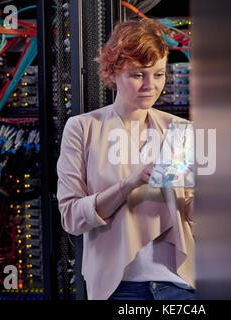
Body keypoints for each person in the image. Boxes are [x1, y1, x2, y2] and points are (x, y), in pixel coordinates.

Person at [56, 19, 195, 300]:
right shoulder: (83, 129)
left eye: (158, 74)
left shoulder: (179, 130)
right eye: (137, 75)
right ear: (112, 72)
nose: (150, 86)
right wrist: (129, 183)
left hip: (177, 285)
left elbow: (189, 214)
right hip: (118, 288)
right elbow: (71, 217)